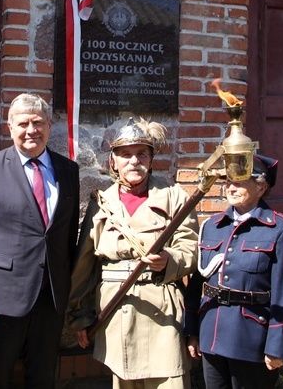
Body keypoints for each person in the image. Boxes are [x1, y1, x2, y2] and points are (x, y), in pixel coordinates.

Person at [68, 117, 198, 389]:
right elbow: (84, 264)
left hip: (161, 310)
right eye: (125, 155)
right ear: (113, 162)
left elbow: (191, 249)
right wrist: (80, 316)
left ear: (151, 159)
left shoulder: (174, 197)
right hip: (116, 310)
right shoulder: (102, 204)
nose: (134, 161)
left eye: (142, 154)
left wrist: (169, 261)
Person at [0, 93, 80, 389]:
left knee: (43, 374)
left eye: (38, 123)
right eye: (23, 123)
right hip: (5, 295)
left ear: (50, 125)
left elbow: (68, 236)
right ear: (10, 127)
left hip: (51, 294)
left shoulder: (68, 170)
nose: (32, 130)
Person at [185, 154, 283, 389]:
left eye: (239, 181)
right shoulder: (212, 226)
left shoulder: (280, 229)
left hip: (252, 339)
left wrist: (278, 346)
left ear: (261, 187)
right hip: (212, 334)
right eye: (228, 181)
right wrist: (192, 331)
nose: (230, 187)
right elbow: (197, 282)